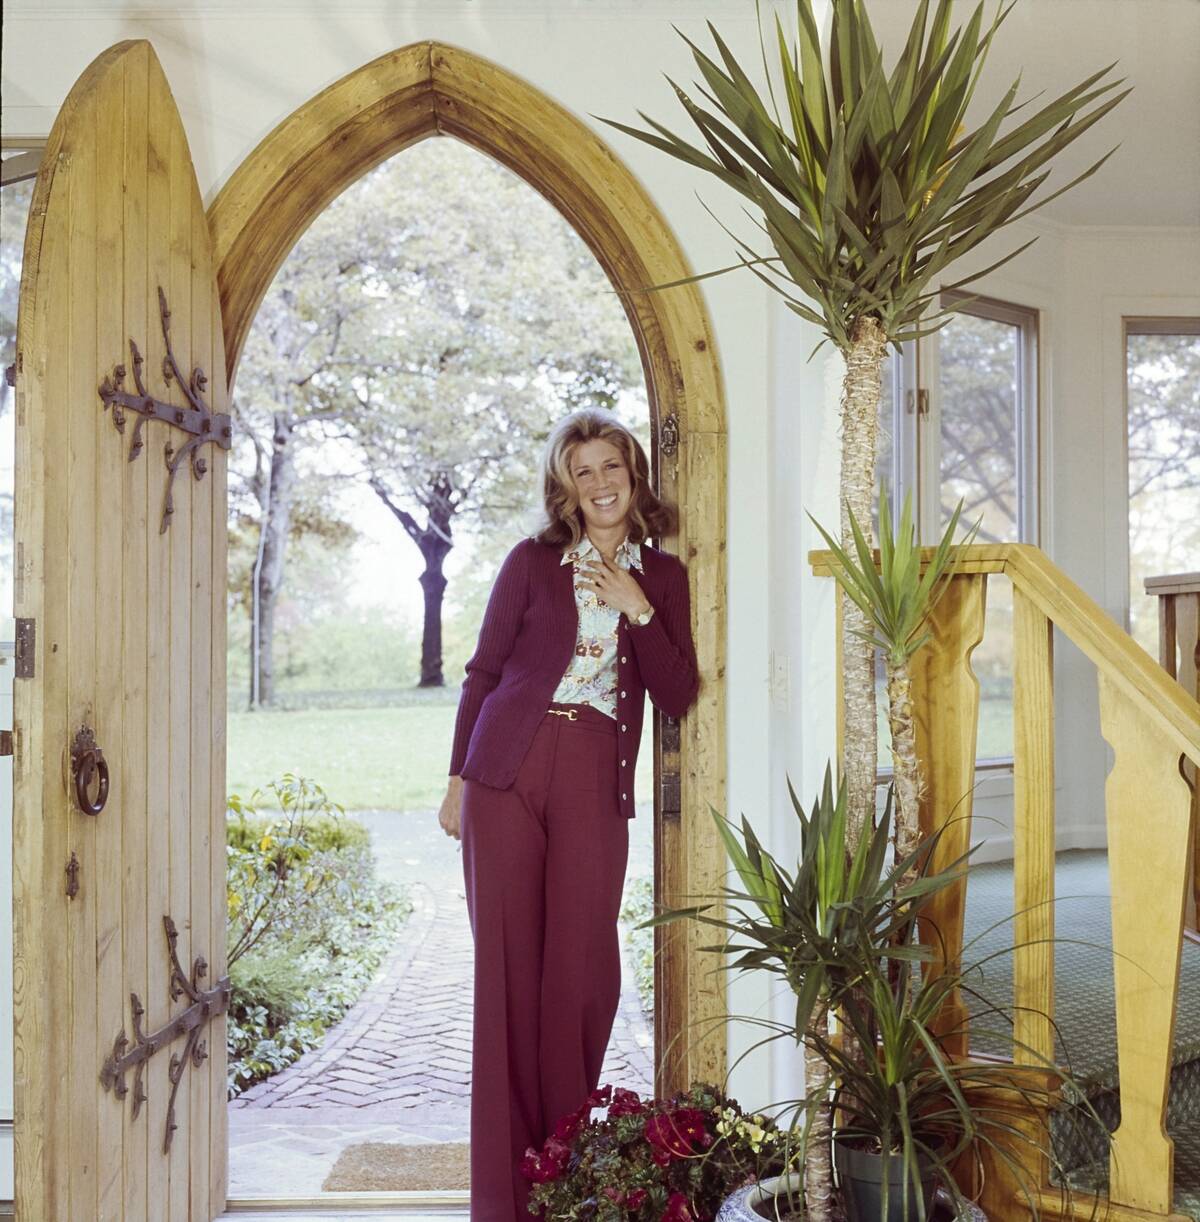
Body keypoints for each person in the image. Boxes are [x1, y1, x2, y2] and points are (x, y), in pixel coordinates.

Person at [438, 406, 700, 1222]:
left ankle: (562, 1172)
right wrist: (457, 780)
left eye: (610, 467)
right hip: (503, 771)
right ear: (567, 487)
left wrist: (637, 607)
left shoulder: (663, 577)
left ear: (633, 474)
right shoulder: (531, 562)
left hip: (593, 770)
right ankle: (503, 1199)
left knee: (582, 974)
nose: (599, 483)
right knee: (507, 978)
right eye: (582, 472)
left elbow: (677, 692)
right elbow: (484, 673)